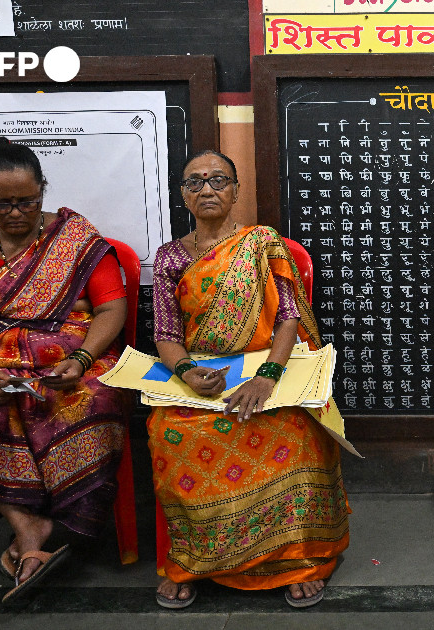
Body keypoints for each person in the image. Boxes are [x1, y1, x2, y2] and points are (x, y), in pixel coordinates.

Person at [0, 137, 128, 602]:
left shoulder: (77, 241)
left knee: (92, 399)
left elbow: (111, 310)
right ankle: (29, 525)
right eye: (3, 204)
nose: (16, 213)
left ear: (43, 190)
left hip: (79, 362)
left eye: (27, 201)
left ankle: (51, 526)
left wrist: (80, 360)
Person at [149, 150, 349, 610]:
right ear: (183, 195)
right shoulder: (168, 259)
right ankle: (194, 560)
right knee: (169, 431)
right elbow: (165, 333)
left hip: (268, 365)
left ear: (237, 191)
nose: (207, 189)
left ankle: (296, 561)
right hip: (203, 372)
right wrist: (185, 371)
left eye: (218, 180)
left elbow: (289, 318)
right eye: (194, 182)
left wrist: (267, 377)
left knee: (294, 425)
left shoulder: (262, 243)